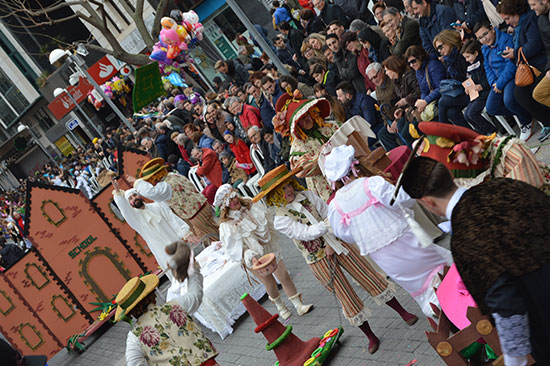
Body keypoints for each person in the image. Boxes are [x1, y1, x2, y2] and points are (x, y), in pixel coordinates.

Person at [401, 156, 550, 365]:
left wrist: (515, 360)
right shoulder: (504, 186)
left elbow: (505, 302)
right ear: (450, 175)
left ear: (428, 202)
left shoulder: (464, 236)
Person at [258, 165, 418, 354]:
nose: (288, 190)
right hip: (317, 258)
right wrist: (325, 230)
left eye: (288, 185)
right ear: (275, 195)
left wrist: (329, 239)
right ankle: (370, 335)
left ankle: (403, 312)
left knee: (368, 276)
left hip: (337, 243)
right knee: (345, 295)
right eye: (282, 189)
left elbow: (330, 215)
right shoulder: (280, 220)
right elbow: (306, 233)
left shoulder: (309, 196)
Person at [326, 145, 452, 318]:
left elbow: (344, 234)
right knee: (442, 266)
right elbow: (402, 200)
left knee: (419, 288)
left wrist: (365, 227)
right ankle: (462, 306)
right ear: (355, 165)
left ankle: (441, 315)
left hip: (384, 257)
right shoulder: (371, 184)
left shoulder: (335, 206)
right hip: (408, 243)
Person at [214, 184, 313, 320]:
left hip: (268, 246)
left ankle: (298, 304)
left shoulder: (250, 205)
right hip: (252, 255)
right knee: (269, 282)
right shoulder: (227, 226)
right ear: (225, 206)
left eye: (234, 197)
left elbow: (266, 224)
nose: (235, 201)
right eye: (230, 201)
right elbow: (235, 249)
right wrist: (251, 257)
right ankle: (280, 306)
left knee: (283, 274)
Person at [118, 242, 219, 366]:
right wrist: (192, 269)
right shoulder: (175, 306)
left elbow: (134, 363)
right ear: (152, 295)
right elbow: (196, 294)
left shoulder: (134, 337)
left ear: (130, 312)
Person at [111, 179, 195, 283]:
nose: (134, 198)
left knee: (193, 269)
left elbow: (172, 219)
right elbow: (125, 210)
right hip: (163, 252)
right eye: (131, 199)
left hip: (176, 242)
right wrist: (118, 193)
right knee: (179, 278)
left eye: (135, 195)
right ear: (130, 204)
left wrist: (185, 233)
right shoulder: (135, 219)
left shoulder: (157, 206)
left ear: (140, 196)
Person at [127, 158, 219, 241]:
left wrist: (137, 182)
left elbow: (150, 192)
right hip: (201, 206)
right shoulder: (172, 175)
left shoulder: (165, 186)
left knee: (212, 237)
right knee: (213, 232)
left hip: (196, 213)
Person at [497, 0, 550, 141]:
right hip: (531, 68)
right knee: (519, 93)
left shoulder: (529, 20)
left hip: (541, 65)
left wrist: (515, 53)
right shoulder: (519, 26)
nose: (507, 22)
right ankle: (547, 122)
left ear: (516, 13)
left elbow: (535, 45)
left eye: (508, 18)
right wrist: (513, 53)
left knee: (534, 91)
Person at [473, 20, 533, 141]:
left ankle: (526, 121)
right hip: (497, 82)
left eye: (485, 34)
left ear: (492, 29)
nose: (484, 39)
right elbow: (487, 68)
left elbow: (510, 64)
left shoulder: (505, 39)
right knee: (491, 108)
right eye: (480, 38)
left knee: (509, 100)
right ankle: (525, 112)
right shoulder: (484, 48)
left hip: (511, 76)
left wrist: (500, 83)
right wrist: (493, 83)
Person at [274, 91, 339, 201]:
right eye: (302, 119)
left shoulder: (327, 126)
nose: (307, 120)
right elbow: (301, 169)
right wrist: (324, 154)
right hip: (325, 186)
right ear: (297, 125)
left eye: (307, 115)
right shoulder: (297, 146)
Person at [433, 29, 470, 127]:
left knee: (443, 101)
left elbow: (466, 76)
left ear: (449, 41)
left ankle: (443, 133)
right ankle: (475, 137)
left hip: (472, 89)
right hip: (462, 91)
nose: (440, 51)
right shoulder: (448, 59)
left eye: (441, 47)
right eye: (438, 50)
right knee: (451, 112)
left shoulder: (461, 54)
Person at [460, 39, 498, 134]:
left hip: (486, 92)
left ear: (476, 53)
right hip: (478, 94)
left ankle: (491, 131)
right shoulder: (471, 66)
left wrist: (482, 86)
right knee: (467, 115)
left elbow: (489, 77)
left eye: (468, 57)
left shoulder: (483, 62)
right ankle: (483, 132)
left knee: (472, 113)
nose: (467, 60)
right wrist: (468, 88)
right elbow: (472, 80)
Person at [382, 55, 421, 147]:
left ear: (393, 67)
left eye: (387, 70)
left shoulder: (409, 75)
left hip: (417, 108)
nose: (386, 73)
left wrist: (406, 100)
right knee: (400, 126)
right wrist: (401, 110)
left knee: (405, 133)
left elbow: (419, 90)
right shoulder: (397, 81)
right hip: (408, 111)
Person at [404, 45, 445, 121]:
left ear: (420, 57)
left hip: (442, 97)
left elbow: (440, 87)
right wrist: (422, 104)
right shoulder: (418, 71)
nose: (411, 65)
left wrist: (425, 101)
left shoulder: (433, 65)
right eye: (409, 63)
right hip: (433, 98)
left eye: (413, 61)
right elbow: (424, 90)